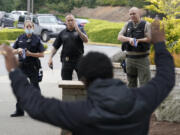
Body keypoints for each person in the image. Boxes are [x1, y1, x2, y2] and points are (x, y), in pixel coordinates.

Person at [0, 20, 175, 135]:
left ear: (83, 81)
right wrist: (159, 44)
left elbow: (35, 105)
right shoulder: (142, 99)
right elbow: (166, 77)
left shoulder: (78, 112)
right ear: (111, 73)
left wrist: (14, 72)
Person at [11, 20, 45, 117]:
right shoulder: (20, 38)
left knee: (35, 88)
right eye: (27, 26)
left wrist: (31, 54)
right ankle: (19, 111)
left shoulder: (37, 39)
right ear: (24, 27)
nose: (28, 28)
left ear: (33, 28)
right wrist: (17, 50)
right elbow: (12, 50)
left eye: (30, 26)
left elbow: (42, 54)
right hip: (22, 66)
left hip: (33, 66)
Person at [118, 7, 151, 88]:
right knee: (131, 84)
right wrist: (129, 39)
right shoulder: (127, 24)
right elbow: (119, 37)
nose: (132, 15)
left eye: (134, 13)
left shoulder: (146, 24)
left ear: (139, 13)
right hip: (129, 59)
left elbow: (150, 38)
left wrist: (138, 40)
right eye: (130, 14)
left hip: (142, 59)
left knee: (145, 83)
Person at [48, 14, 88, 80]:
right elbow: (55, 47)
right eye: (68, 20)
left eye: (72, 20)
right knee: (65, 81)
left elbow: (86, 40)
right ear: (66, 22)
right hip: (67, 60)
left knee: (83, 80)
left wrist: (78, 31)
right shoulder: (62, 33)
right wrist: (50, 58)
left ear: (74, 21)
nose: (70, 22)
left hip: (79, 59)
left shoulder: (80, 30)